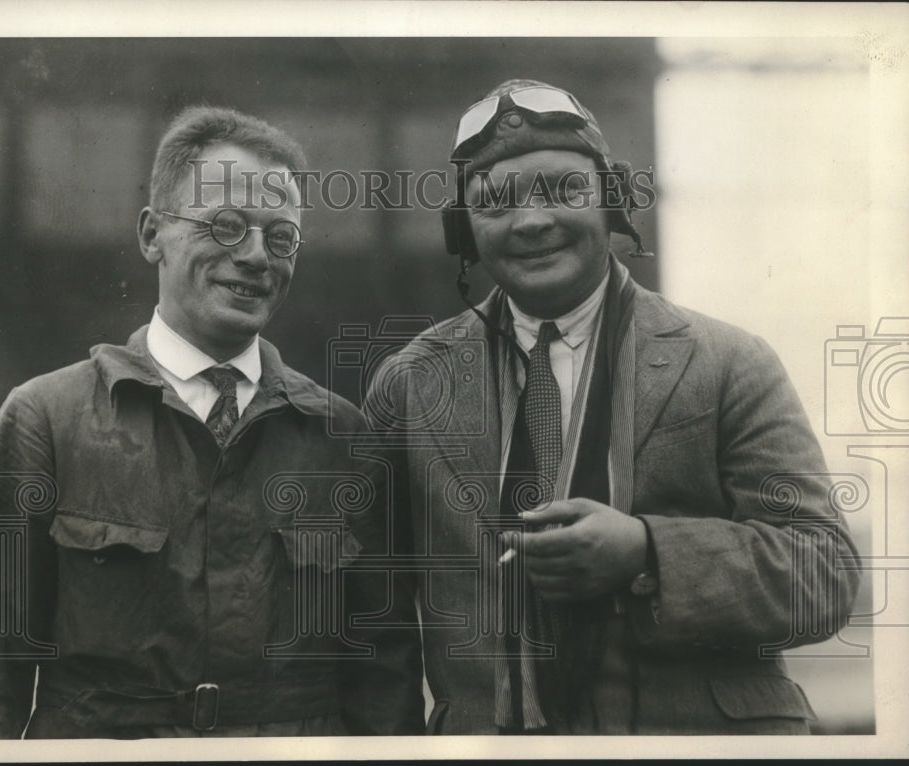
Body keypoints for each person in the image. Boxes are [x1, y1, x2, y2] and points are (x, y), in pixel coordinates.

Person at [363, 79, 862, 735]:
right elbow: (369, 612)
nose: (532, 220)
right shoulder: (408, 385)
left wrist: (646, 553)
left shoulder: (729, 361)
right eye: (495, 202)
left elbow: (824, 574)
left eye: (563, 190)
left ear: (612, 204)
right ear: (464, 232)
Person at [0, 105, 423, 738]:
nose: (256, 256)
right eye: (226, 226)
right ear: (152, 235)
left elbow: (385, 684)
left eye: (281, 237)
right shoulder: (46, 420)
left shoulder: (342, 438)